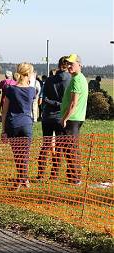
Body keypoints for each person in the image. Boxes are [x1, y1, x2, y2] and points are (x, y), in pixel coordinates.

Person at [1, 63, 36, 190]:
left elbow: (4, 111)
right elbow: (32, 105)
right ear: (28, 74)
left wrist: (3, 130)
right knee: (25, 155)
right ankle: (24, 179)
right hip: (27, 124)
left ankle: (20, 180)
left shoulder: (10, 89)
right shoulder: (32, 90)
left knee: (17, 155)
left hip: (13, 125)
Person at [37, 56, 71, 180]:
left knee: (46, 144)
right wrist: (61, 105)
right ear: (68, 65)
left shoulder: (50, 80)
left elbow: (44, 98)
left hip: (47, 116)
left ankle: (40, 174)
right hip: (60, 117)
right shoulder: (70, 80)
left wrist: (53, 103)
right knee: (60, 146)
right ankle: (54, 174)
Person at [60, 54, 88, 184]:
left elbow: (73, 103)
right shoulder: (80, 78)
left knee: (70, 149)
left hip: (72, 119)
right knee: (70, 148)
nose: (69, 66)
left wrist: (65, 118)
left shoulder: (77, 79)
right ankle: (72, 176)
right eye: (68, 64)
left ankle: (75, 178)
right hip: (76, 118)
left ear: (79, 65)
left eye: (72, 64)